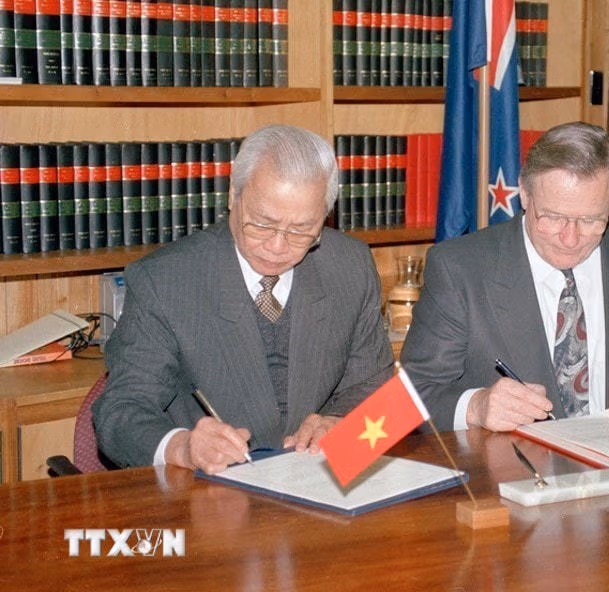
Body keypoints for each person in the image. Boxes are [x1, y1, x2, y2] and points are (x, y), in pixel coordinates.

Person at [94, 124, 394, 473]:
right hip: (206, 488)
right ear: (233, 196)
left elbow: (378, 392)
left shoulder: (350, 266)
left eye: (301, 230)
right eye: (262, 224)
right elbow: (121, 411)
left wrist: (341, 423)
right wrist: (183, 447)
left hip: (317, 480)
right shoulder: (166, 281)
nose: (278, 246)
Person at [400, 121, 609, 432]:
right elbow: (410, 398)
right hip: (515, 469)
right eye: (553, 217)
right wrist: (476, 406)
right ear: (524, 194)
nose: (570, 238)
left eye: (591, 220)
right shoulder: (461, 269)